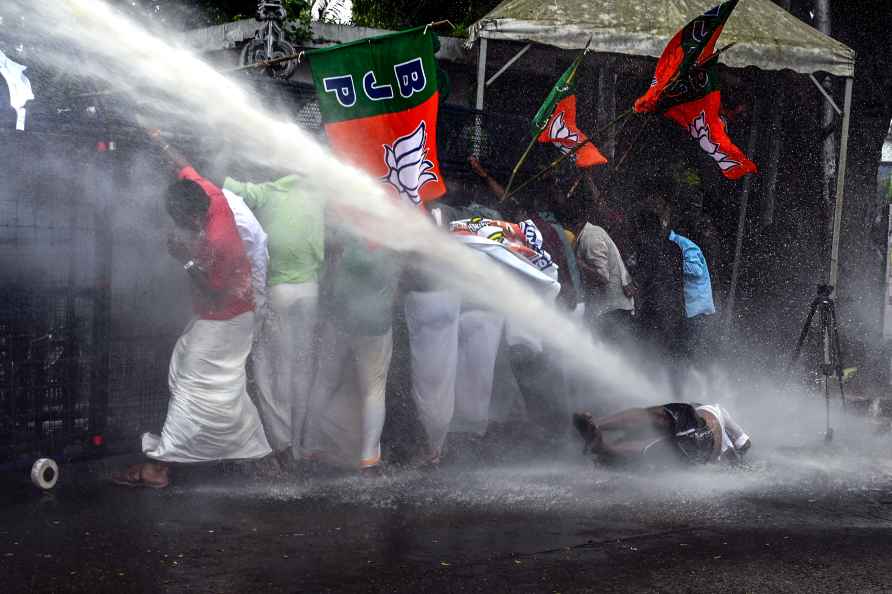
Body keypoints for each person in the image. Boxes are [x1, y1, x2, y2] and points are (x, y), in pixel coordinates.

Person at [113, 134, 271, 488]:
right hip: (224, 316)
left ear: (196, 213)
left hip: (228, 317)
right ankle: (258, 455)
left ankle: (161, 467)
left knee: (191, 386)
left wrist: (184, 260)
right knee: (221, 388)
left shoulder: (220, 241)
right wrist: (155, 137)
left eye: (185, 221)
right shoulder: (207, 192)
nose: (184, 227)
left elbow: (216, 294)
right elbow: (181, 165)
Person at [221, 173, 324, 462]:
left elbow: (228, 186)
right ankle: (301, 441)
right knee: (303, 367)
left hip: (280, 291)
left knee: (281, 368)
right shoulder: (317, 194)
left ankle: (285, 443)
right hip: (310, 290)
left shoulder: (268, 192)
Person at [301, 224, 400, 472]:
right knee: (373, 391)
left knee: (324, 381)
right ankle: (368, 459)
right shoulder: (397, 235)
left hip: (340, 319)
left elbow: (330, 272)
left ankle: (309, 445)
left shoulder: (348, 231)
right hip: (376, 325)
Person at [572, 402, 751, 467]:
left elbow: (745, 444)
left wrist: (733, 456)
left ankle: (599, 427)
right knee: (655, 444)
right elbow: (743, 444)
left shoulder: (717, 410)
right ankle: (602, 444)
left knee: (653, 419)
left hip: (703, 437)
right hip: (700, 447)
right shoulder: (710, 412)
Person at [575, 217, 636, 344]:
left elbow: (602, 276)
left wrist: (580, 264)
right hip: (613, 307)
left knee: (613, 350)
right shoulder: (593, 232)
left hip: (611, 309)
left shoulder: (590, 237)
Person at [669, 227, 716, 368]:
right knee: (686, 349)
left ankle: (692, 382)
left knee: (689, 350)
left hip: (696, 308)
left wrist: (674, 265)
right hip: (691, 306)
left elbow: (696, 270)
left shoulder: (684, 244)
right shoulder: (677, 243)